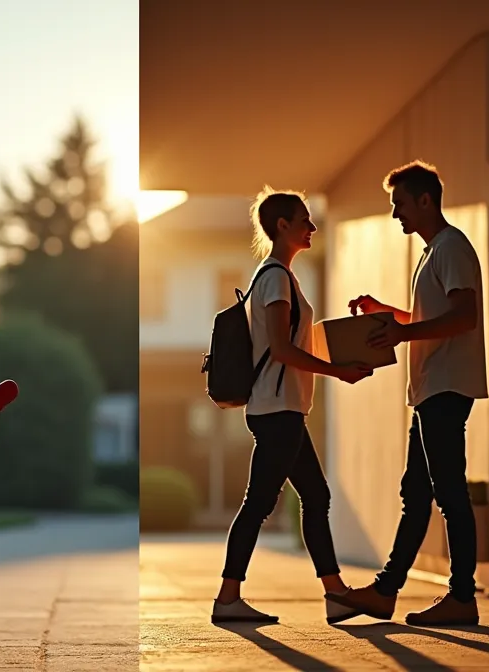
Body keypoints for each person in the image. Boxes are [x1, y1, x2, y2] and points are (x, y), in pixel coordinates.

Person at [212, 187, 374, 626]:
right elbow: (282, 348)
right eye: (305, 220)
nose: (312, 228)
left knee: (314, 495)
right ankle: (228, 599)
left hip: (284, 409)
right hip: (277, 409)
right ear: (282, 226)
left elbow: (289, 342)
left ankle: (336, 593)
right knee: (259, 503)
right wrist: (338, 371)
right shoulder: (276, 278)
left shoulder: (277, 276)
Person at [341, 160, 489, 627]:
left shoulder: (451, 248)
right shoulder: (432, 253)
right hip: (429, 389)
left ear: (425, 200)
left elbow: (465, 317)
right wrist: (386, 314)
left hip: (446, 387)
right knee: (417, 493)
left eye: (399, 204)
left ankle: (461, 598)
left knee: (448, 494)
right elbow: (434, 317)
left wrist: (403, 335)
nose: (395, 214)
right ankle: (387, 591)